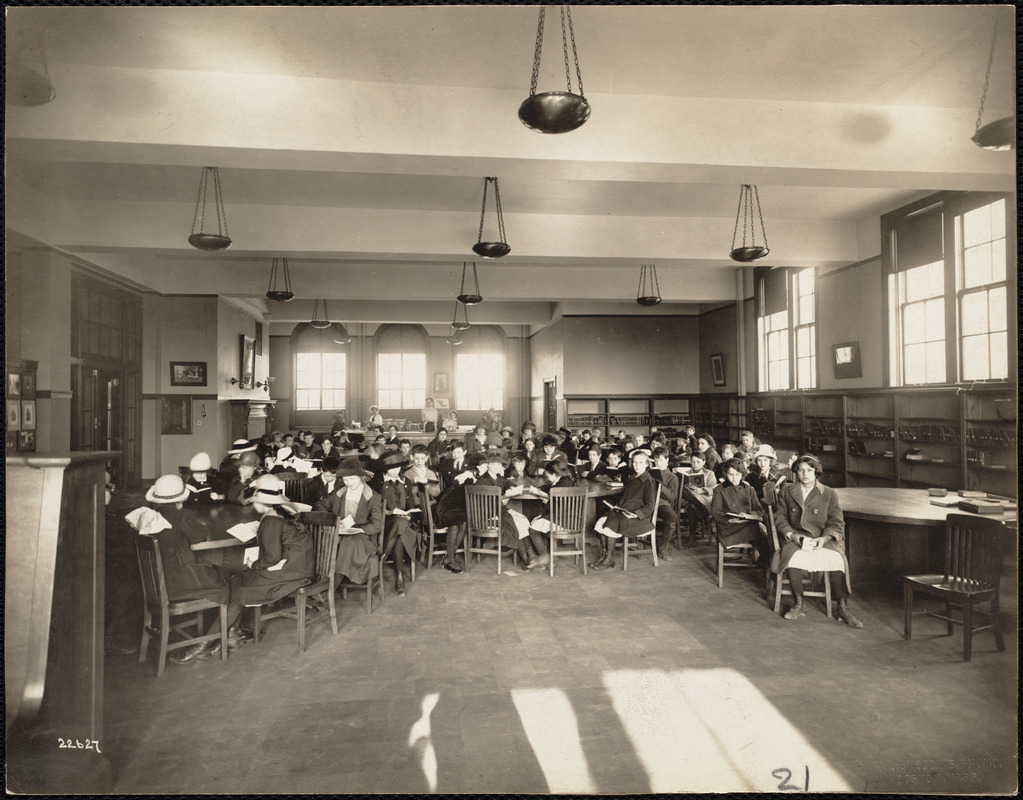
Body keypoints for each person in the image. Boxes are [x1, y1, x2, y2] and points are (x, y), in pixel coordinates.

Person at [171, 474, 315, 664]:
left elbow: (271, 558)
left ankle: (205, 644)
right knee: (237, 581)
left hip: (291, 573)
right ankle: (231, 635)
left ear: (260, 502)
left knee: (237, 586)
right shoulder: (282, 512)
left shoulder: (270, 521)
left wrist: (253, 565)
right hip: (298, 566)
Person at [773, 455, 862, 628]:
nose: (805, 473)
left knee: (837, 559)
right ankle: (799, 604)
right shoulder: (787, 491)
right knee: (792, 558)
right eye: (801, 470)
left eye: (810, 470)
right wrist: (793, 536)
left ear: (816, 472)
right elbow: (780, 519)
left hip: (822, 537)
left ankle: (842, 607)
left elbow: (836, 522)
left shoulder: (829, 493)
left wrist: (825, 538)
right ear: (795, 472)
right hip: (797, 536)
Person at [313, 457, 385, 589]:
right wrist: (332, 520)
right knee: (320, 540)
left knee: (347, 542)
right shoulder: (339, 492)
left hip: (364, 537)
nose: (348, 483)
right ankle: (321, 583)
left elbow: (376, 525)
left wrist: (358, 529)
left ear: (361, 477)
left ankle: (328, 589)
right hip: (340, 533)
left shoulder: (373, 496)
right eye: (345, 480)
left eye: (352, 479)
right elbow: (320, 505)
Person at [476, 452, 549, 570]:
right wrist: (504, 498)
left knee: (523, 519)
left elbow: (510, 484)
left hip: (499, 510)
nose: (496, 467)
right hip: (488, 514)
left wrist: (510, 489)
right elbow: (486, 503)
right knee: (516, 522)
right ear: (487, 465)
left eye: (499, 464)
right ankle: (527, 559)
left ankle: (531, 557)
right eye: (493, 464)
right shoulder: (483, 480)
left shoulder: (498, 477)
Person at [590, 449, 658, 571]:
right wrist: (616, 506)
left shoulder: (648, 481)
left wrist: (636, 514)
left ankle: (610, 559)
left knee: (610, 524)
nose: (637, 465)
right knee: (601, 521)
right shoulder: (634, 478)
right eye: (635, 462)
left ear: (647, 464)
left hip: (638, 519)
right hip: (625, 512)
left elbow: (650, 506)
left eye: (641, 463)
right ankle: (605, 555)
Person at [710, 458, 768, 566]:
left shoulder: (749, 489)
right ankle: (767, 560)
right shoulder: (719, 489)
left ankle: (766, 560)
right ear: (725, 474)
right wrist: (729, 519)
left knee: (762, 532)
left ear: (742, 474)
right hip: (728, 527)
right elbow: (715, 511)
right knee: (759, 532)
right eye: (730, 474)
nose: (734, 478)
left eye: (737, 474)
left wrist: (749, 515)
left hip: (747, 523)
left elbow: (758, 509)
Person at [432, 452, 485, 572]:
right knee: (455, 524)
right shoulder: (468, 476)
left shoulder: (476, 476)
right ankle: (450, 560)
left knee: (464, 523)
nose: (484, 467)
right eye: (483, 465)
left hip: (459, 507)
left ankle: (448, 557)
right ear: (475, 467)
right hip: (446, 507)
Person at [377, 450, 420, 597]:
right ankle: (399, 576)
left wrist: (408, 515)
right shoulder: (379, 483)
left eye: (398, 467)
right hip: (385, 524)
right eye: (392, 468)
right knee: (399, 528)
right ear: (385, 469)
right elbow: (375, 509)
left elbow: (410, 506)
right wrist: (390, 512)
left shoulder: (406, 482)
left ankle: (382, 558)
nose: (395, 470)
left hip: (406, 524)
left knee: (401, 523)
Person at [679, 450, 716, 545]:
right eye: (693, 461)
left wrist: (701, 490)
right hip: (690, 499)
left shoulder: (709, 473)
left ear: (704, 462)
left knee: (692, 507)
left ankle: (691, 538)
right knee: (686, 495)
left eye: (698, 462)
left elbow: (714, 489)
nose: (695, 464)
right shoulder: (686, 473)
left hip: (703, 498)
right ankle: (703, 509)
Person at [648, 446, 679, 560]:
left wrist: (660, 485)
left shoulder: (672, 477)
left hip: (662, 503)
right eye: (656, 460)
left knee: (672, 516)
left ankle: (664, 547)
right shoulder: (649, 472)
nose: (658, 462)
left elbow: (672, 497)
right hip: (648, 501)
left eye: (661, 460)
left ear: (667, 460)